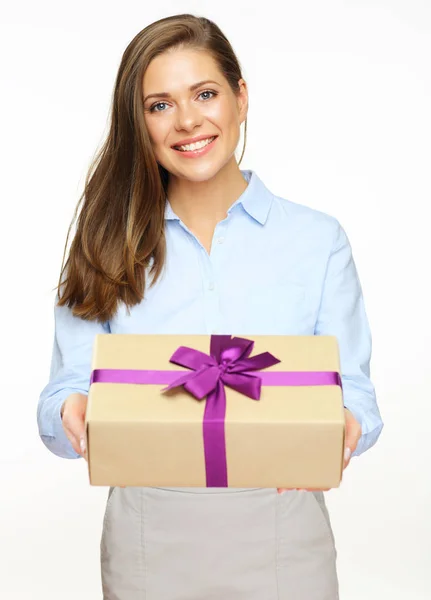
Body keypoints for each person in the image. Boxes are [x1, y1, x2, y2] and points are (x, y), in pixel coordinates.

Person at [37, 13, 384, 600]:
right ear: (139, 123)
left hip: (283, 536)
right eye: (159, 105)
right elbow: (62, 394)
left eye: (204, 94)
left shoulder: (316, 240)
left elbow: (357, 395)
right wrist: (70, 410)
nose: (189, 120)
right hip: (149, 541)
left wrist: (338, 430)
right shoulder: (106, 244)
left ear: (240, 98)